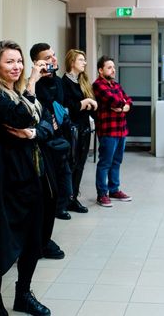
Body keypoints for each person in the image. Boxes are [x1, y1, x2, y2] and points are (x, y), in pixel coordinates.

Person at [0, 40, 52, 316]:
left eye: (19, 61)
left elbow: (47, 123)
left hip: (30, 176)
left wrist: (33, 132)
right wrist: (32, 85)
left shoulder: (17, 93)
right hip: (2, 181)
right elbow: (22, 118)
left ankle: (23, 294)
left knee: (33, 240)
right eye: (10, 61)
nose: (17, 67)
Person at [30, 43, 74, 221]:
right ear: (36, 62)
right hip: (43, 137)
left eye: (53, 55)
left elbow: (61, 106)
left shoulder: (58, 81)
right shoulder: (34, 83)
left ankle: (62, 205)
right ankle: (51, 208)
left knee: (65, 173)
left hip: (60, 133)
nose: (54, 59)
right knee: (49, 177)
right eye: (47, 58)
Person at [93, 55, 133, 207]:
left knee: (116, 162)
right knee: (105, 163)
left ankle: (114, 190)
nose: (113, 70)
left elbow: (128, 100)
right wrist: (123, 104)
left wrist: (124, 105)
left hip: (121, 130)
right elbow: (115, 101)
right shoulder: (98, 85)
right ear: (101, 70)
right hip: (108, 131)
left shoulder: (116, 85)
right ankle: (102, 194)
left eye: (114, 67)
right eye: (109, 67)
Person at [61, 49, 97, 213]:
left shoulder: (83, 81)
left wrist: (86, 104)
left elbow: (92, 107)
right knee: (71, 164)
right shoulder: (64, 83)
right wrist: (85, 102)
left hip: (84, 129)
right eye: (81, 60)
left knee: (80, 165)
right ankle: (66, 199)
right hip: (71, 130)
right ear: (72, 62)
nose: (85, 63)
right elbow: (68, 109)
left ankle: (73, 198)